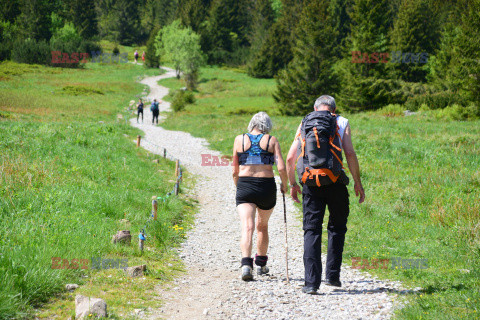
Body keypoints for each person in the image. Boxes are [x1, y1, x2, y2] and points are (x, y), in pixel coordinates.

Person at [286, 95, 365, 294]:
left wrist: (293, 184)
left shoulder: (305, 121)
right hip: (336, 181)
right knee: (337, 227)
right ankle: (332, 276)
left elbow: (289, 158)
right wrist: (357, 182)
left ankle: (311, 283)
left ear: (315, 108)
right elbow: (349, 153)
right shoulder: (341, 121)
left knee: (311, 230)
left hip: (311, 183)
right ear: (334, 108)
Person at [232, 112, 289, 281]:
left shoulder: (239, 140)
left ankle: (246, 266)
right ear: (267, 126)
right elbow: (281, 167)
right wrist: (285, 185)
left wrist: (239, 186)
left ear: (252, 124)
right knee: (262, 226)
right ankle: (261, 265)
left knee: (247, 226)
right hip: (266, 186)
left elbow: (235, 169)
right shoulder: (272, 140)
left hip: (245, 185)